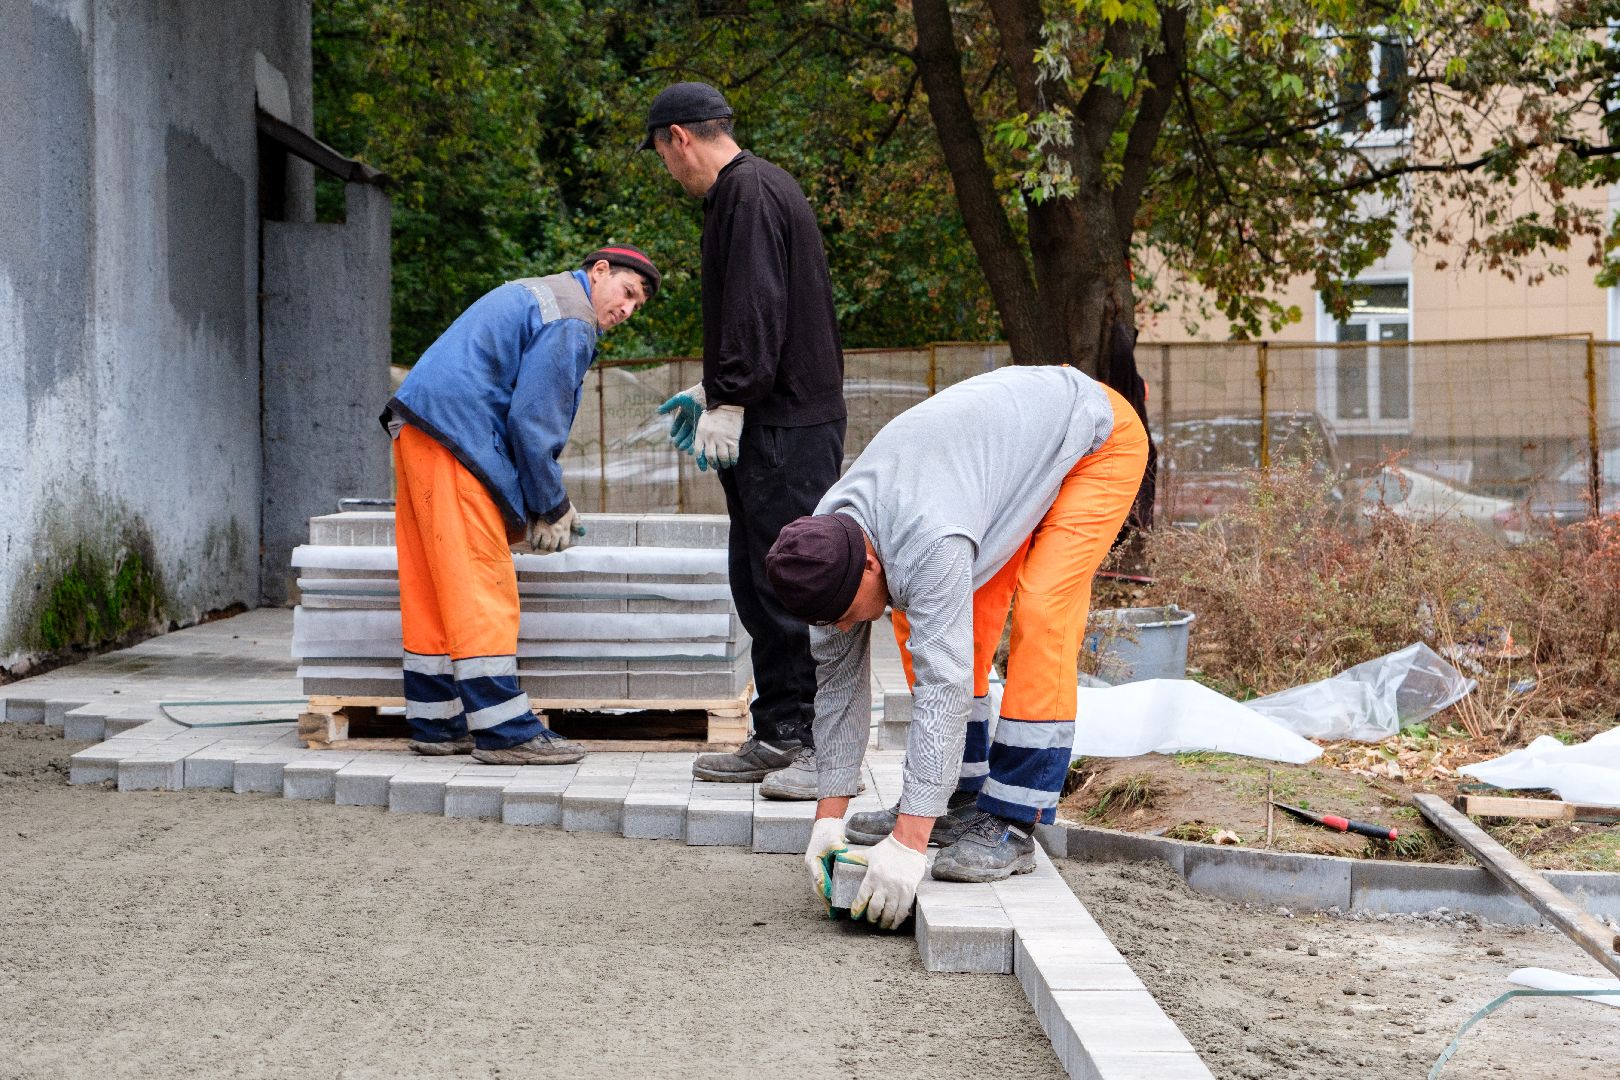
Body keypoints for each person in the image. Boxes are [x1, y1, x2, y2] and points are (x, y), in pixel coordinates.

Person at [764, 364, 1149, 927]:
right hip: (998, 471)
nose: (844, 629)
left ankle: (1014, 820)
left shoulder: (928, 540)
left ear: (871, 561)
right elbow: (840, 692)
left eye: (847, 615)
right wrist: (828, 816)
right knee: (926, 624)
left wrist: (908, 844)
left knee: (1042, 610)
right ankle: (957, 798)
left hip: (1093, 438)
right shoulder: (820, 550)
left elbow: (944, 686)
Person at [641, 81, 848, 795]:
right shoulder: (759, 189)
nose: (670, 170)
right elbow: (769, 314)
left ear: (679, 139)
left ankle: (815, 743)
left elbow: (758, 305)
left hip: (783, 427)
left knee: (792, 584)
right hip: (781, 417)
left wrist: (732, 394)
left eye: (664, 155)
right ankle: (782, 730)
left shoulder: (746, 193)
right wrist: (718, 390)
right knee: (761, 583)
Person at [379, 245, 661, 765]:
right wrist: (551, 506)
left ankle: (437, 721)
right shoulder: (572, 318)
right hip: (455, 436)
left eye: (636, 306)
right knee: (480, 577)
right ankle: (504, 728)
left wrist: (531, 503)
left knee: (432, 579)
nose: (626, 310)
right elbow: (533, 424)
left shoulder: (539, 294)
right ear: (598, 272)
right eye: (626, 292)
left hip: (420, 429)